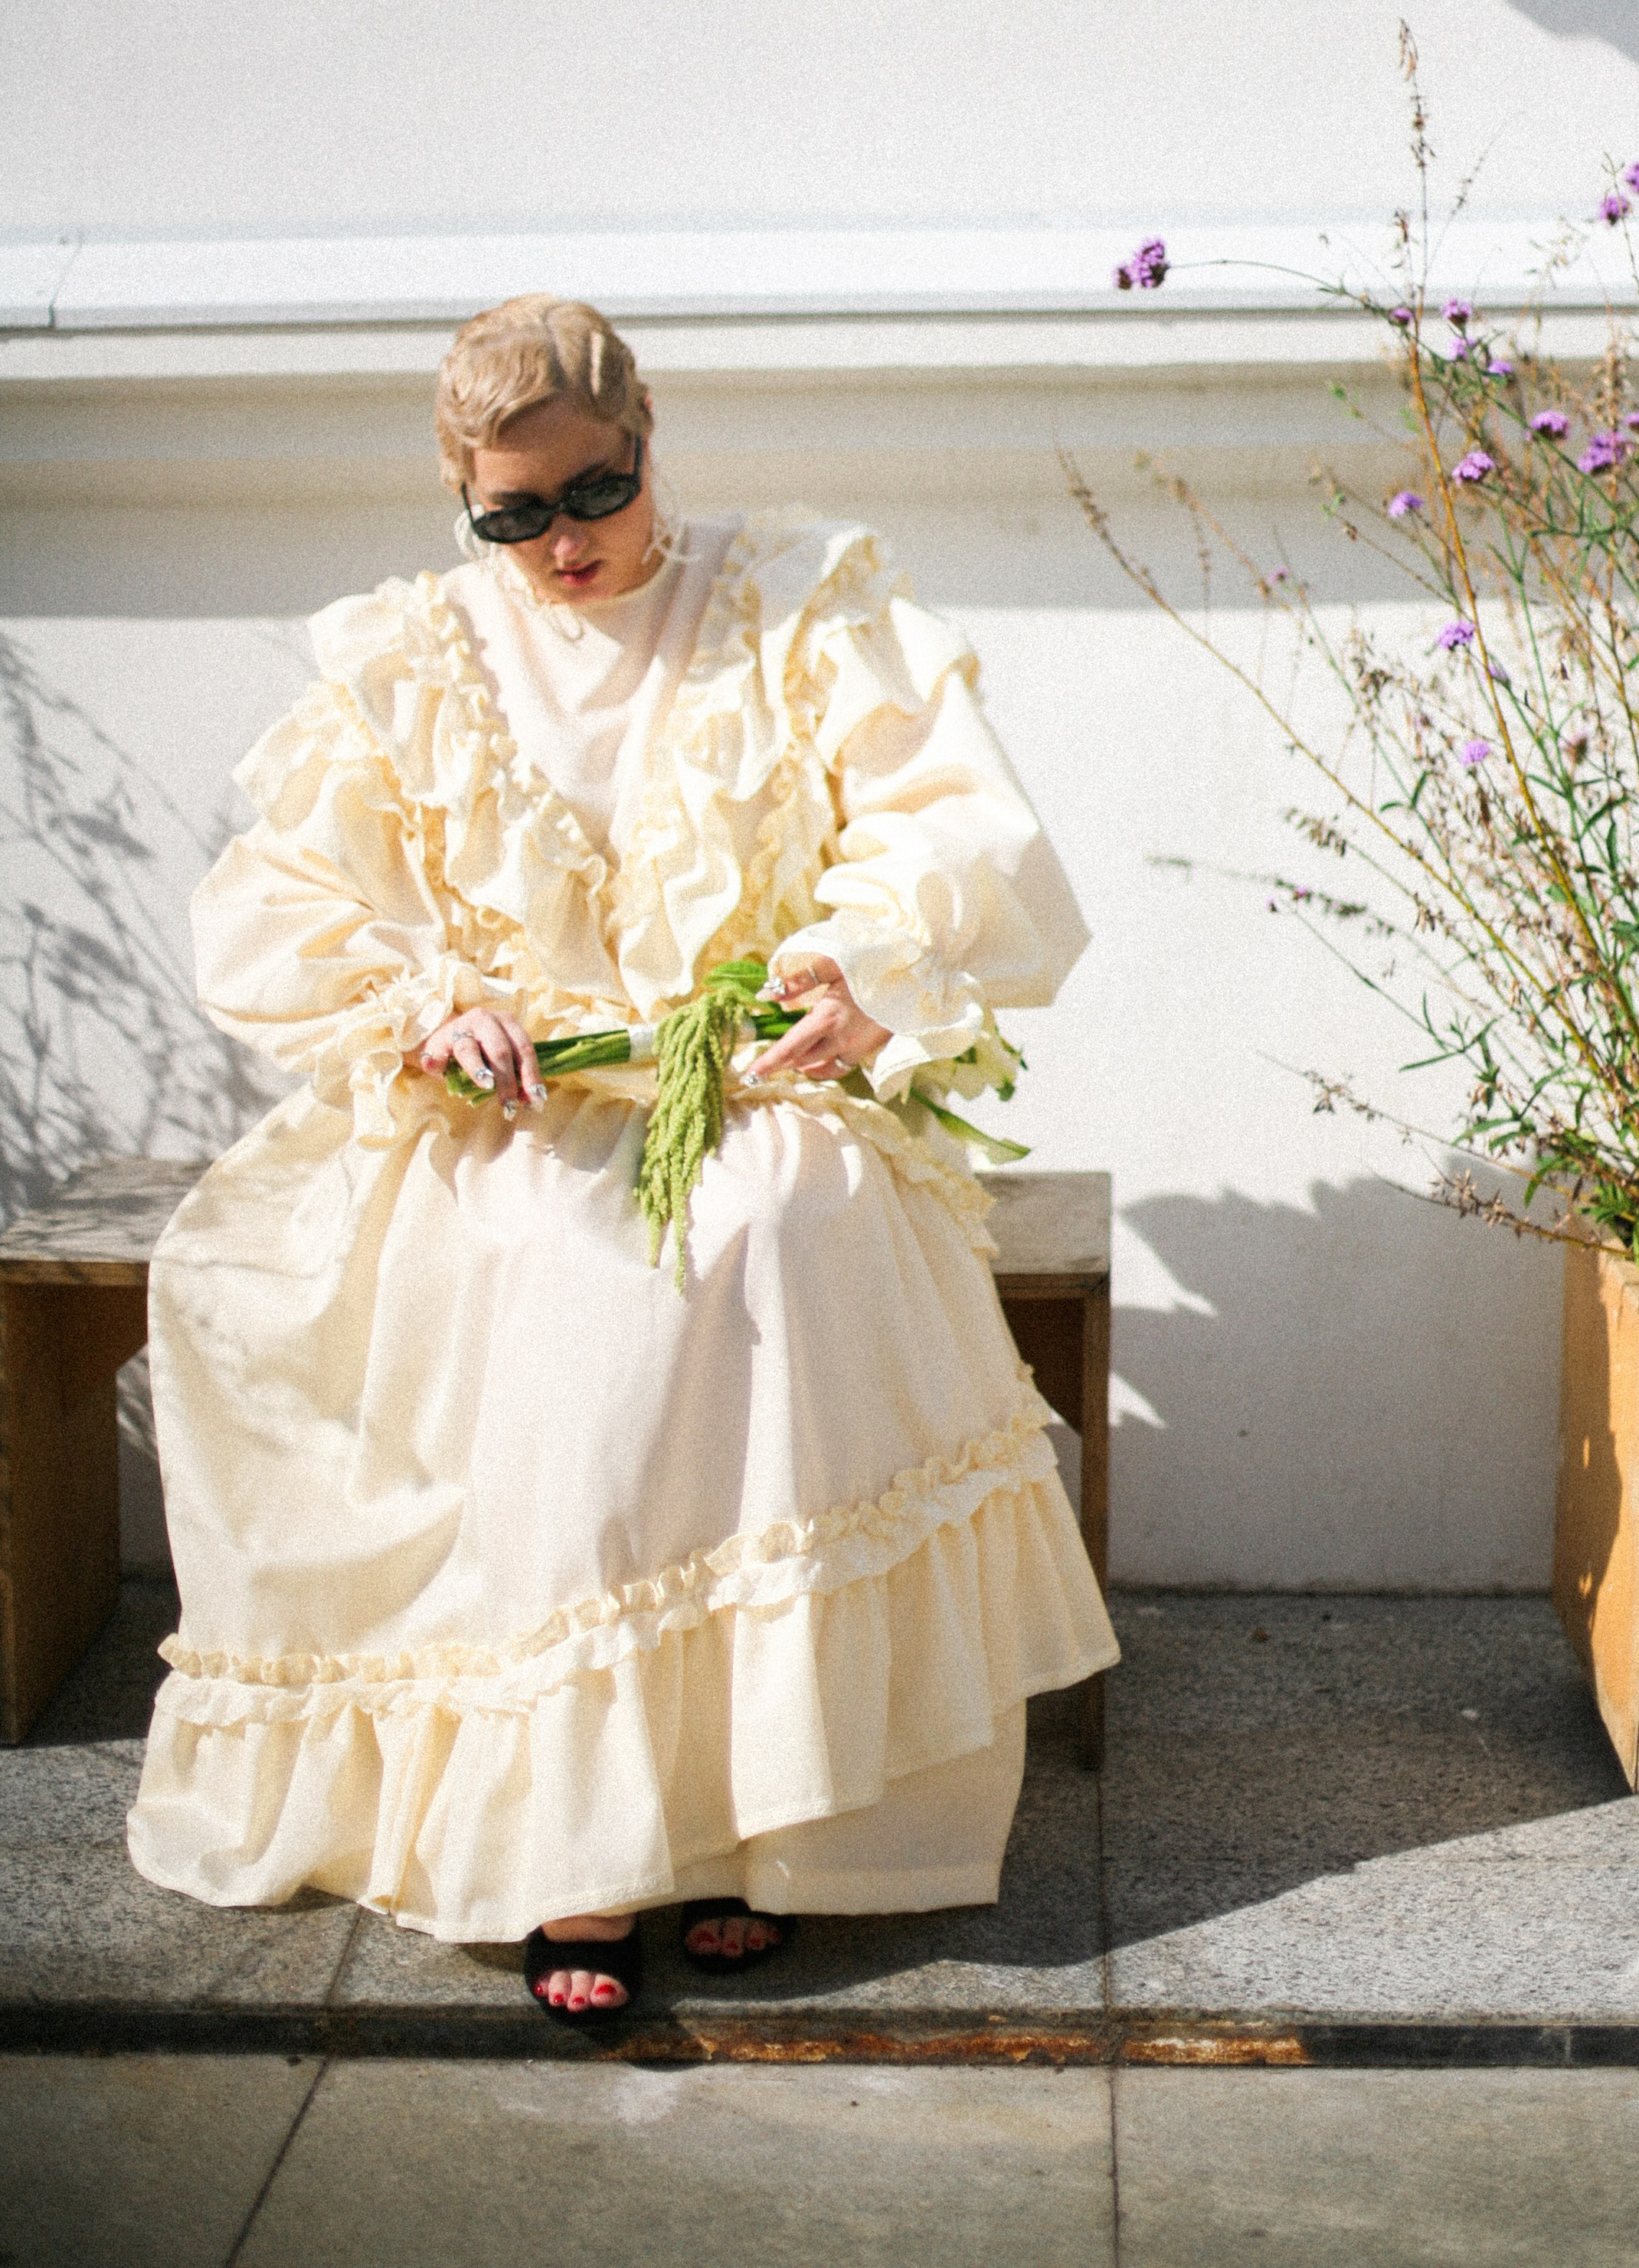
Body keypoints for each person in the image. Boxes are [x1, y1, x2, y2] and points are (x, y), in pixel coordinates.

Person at [127, 293, 1117, 2017]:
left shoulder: (793, 601)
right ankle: (579, 1856)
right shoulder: (410, 652)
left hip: (744, 1085)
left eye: (594, 492)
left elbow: (948, 820)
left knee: (779, 1232)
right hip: (508, 1119)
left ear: (648, 437)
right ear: (460, 498)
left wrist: (866, 969)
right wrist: (423, 1004)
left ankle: (759, 1833)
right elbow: (282, 901)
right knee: (566, 1278)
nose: (562, 543)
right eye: (510, 515)